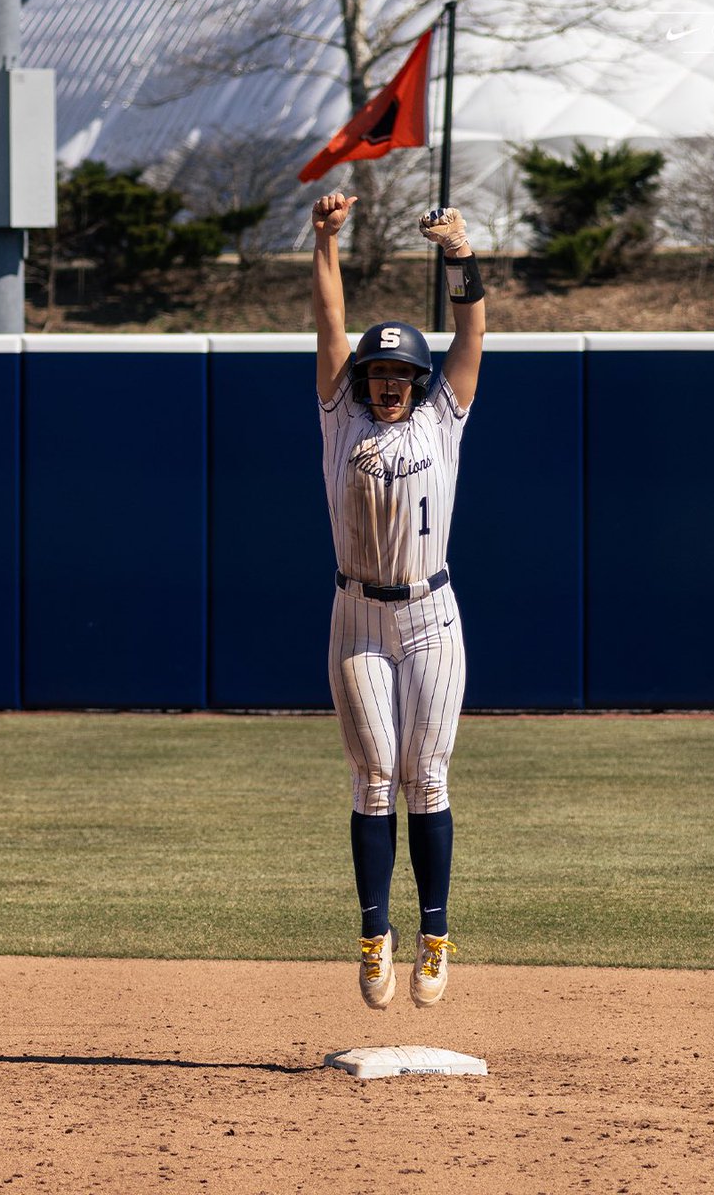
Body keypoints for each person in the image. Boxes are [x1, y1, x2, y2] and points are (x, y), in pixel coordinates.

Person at [311, 192, 486, 1010]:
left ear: (415, 383)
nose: (386, 383)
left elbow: (471, 338)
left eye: (397, 374)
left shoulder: (440, 419)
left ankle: (437, 938)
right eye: (376, 373)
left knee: (428, 773)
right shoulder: (338, 421)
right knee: (374, 776)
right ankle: (375, 934)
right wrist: (326, 242)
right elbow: (329, 327)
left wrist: (460, 259)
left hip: (428, 616)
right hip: (358, 616)